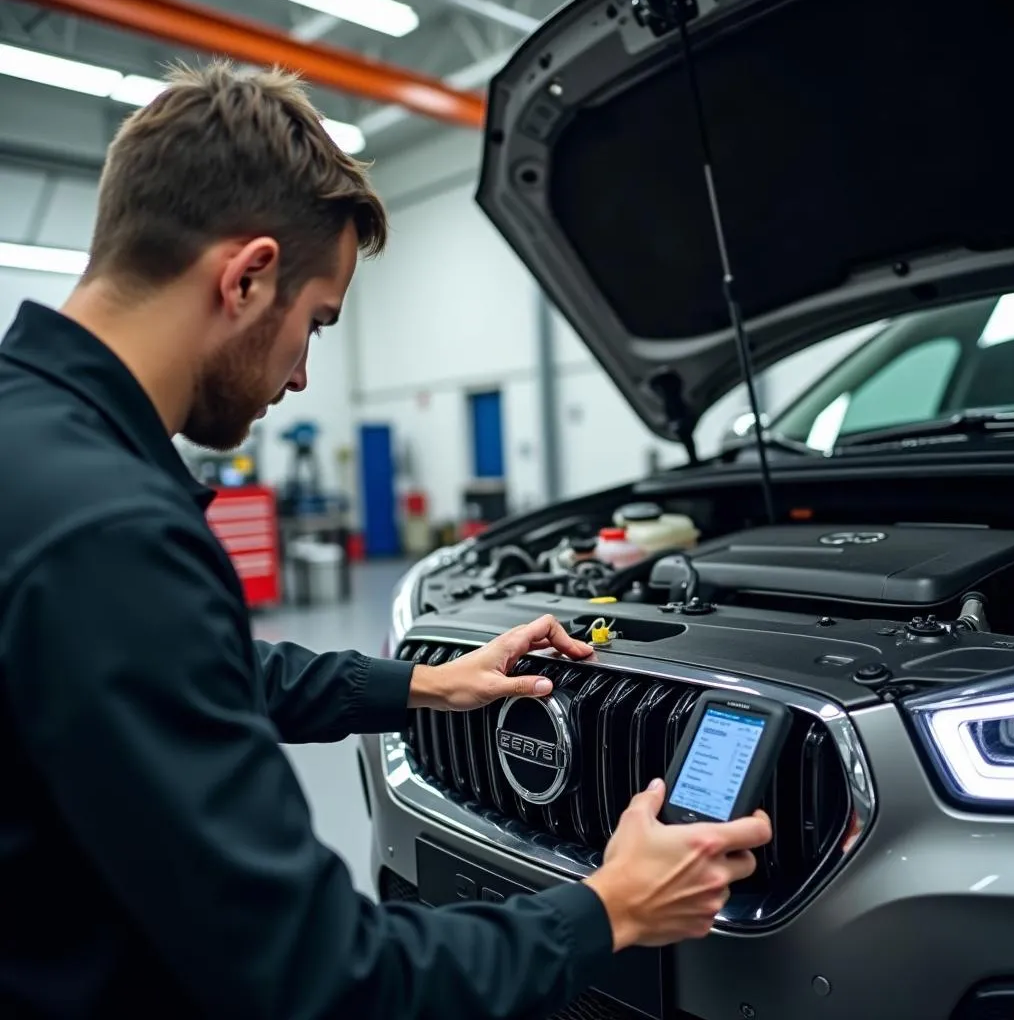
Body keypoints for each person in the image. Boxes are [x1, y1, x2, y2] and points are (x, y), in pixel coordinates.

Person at [0, 61, 772, 1019]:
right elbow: (324, 979)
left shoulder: (29, 447)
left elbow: (189, 674)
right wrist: (605, 910)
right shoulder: (109, 530)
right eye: (317, 324)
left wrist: (424, 687)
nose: (302, 375)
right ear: (246, 278)